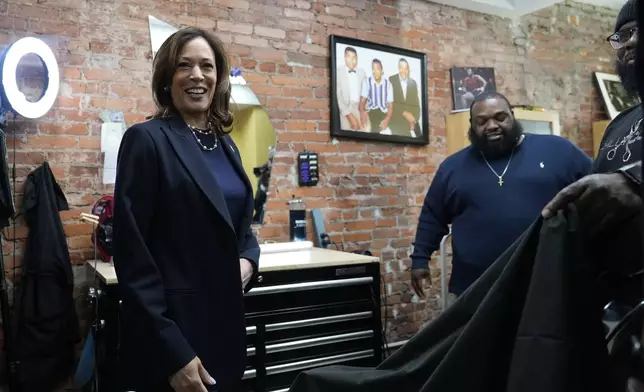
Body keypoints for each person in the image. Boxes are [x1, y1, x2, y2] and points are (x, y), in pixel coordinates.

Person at [112, 27, 260, 392]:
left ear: (218, 78)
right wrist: (173, 353)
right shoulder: (146, 140)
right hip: (177, 341)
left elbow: (241, 232)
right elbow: (132, 257)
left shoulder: (226, 147)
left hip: (225, 331)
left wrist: (250, 261)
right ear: (168, 77)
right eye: (185, 65)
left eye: (207, 66)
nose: (197, 75)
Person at [410, 92, 592, 301]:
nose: (492, 126)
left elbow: (597, 188)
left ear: (512, 116)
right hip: (475, 288)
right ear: (472, 125)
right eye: (482, 121)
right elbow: (432, 216)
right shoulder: (452, 168)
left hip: (549, 282)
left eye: (500, 117)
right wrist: (420, 260)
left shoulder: (558, 150)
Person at [542, 0, 642, 308]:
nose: (632, 41)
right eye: (623, 35)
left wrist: (634, 182)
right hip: (622, 307)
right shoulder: (618, 125)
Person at [360, 59, 395, 135]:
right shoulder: (367, 82)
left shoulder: (388, 84)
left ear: (382, 71)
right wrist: (362, 113)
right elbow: (362, 101)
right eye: (373, 68)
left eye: (377, 68)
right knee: (374, 133)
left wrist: (387, 119)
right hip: (373, 111)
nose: (375, 71)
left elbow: (390, 105)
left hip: (385, 112)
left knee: (395, 131)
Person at [336, 46, 367, 131]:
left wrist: (363, 111)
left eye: (354, 58)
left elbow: (366, 93)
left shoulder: (362, 72)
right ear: (345, 58)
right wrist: (349, 116)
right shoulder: (338, 72)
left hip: (359, 108)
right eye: (349, 57)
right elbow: (338, 97)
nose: (352, 61)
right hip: (345, 109)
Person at [389, 58, 421, 137]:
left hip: (411, 117)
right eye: (402, 68)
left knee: (420, 137)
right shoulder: (391, 80)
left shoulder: (412, 83)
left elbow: (416, 105)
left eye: (406, 68)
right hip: (397, 116)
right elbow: (391, 102)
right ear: (398, 68)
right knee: (406, 137)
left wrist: (414, 120)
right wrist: (405, 113)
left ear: (408, 69)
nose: (404, 71)